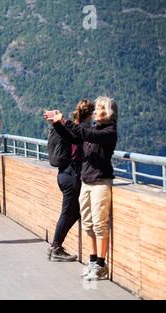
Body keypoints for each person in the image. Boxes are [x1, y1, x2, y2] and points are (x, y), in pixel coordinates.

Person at [52, 96, 118, 280]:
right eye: (95, 108)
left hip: (100, 183)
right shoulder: (94, 128)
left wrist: (65, 121)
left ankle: (101, 264)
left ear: (109, 112)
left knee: (99, 226)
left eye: (100, 108)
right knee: (88, 224)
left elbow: (87, 135)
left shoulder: (109, 132)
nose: (96, 111)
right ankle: (92, 260)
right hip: (87, 182)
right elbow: (73, 137)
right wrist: (57, 125)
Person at [44, 100, 94, 262]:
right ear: (90, 114)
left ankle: (56, 247)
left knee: (75, 212)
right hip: (72, 175)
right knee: (67, 212)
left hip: (63, 174)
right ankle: (55, 247)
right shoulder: (84, 130)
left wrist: (58, 123)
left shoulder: (72, 127)